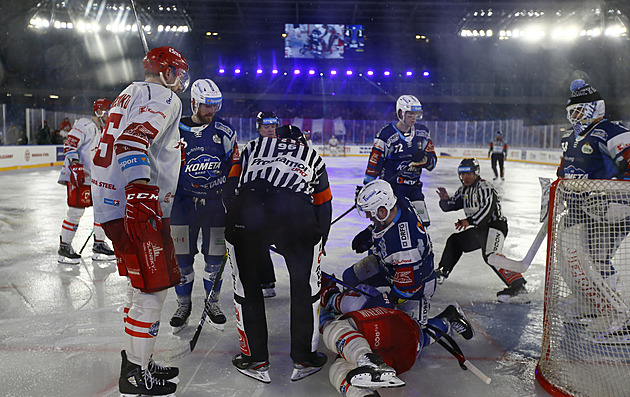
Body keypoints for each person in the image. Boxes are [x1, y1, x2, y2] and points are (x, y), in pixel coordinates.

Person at [91, 46, 190, 396]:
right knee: (153, 290)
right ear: (165, 72)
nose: (180, 80)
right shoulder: (163, 96)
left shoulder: (128, 92)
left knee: (141, 287)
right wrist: (140, 193)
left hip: (113, 203)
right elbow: (133, 140)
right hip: (135, 205)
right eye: (177, 72)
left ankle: (140, 361)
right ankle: (135, 372)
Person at [223, 124, 332, 383]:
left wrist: (238, 230)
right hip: (297, 218)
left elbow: (229, 190)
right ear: (301, 142)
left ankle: (255, 360)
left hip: (249, 212)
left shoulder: (253, 147)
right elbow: (323, 206)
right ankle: (304, 359)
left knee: (246, 289)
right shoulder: (312, 156)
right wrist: (320, 243)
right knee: (306, 288)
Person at [319, 276, 474, 397]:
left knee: (335, 329)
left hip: (398, 331)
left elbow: (385, 301)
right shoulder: (343, 305)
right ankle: (446, 320)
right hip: (403, 353)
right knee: (338, 370)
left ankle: (369, 361)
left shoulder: (348, 302)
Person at [557, 79, 630, 328]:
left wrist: (613, 197)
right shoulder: (569, 138)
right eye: (572, 111)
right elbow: (562, 173)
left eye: (578, 110)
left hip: (609, 211)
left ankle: (622, 315)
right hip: (578, 211)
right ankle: (590, 304)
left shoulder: (611, 132)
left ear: (593, 108)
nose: (574, 116)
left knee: (597, 261)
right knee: (569, 262)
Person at [168, 78, 239, 332]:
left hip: (215, 207)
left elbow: (235, 165)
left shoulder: (225, 131)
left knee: (215, 260)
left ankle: (212, 303)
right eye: (208, 106)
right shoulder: (174, 130)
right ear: (195, 102)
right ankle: (183, 304)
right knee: (182, 261)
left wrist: (232, 194)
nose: (212, 111)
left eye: (216, 106)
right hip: (183, 205)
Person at [435, 158, 530, 303]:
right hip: (481, 229)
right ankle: (442, 272)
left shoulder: (485, 187)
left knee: (491, 256)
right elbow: (452, 204)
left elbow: (487, 210)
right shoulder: (464, 190)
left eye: (468, 174)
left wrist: (469, 221)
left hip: (496, 226)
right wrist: (444, 200)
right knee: (455, 241)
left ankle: (519, 286)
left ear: (476, 173)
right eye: (462, 174)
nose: (465, 177)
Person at [343, 180, 437, 324]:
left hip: (416, 285)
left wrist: (388, 300)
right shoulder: (398, 200)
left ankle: (447, 321)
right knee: (349, 277)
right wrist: (369, 233)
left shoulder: (404, 247)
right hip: (389, 265)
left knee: (410, 336)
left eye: (370, 214)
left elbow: (407, 286)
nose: (368, 217)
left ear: (382, 211)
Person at [363, 95, 437, 228]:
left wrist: (424, 160)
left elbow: (432, 163)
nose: (414, 117)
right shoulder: (386, 135)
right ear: (400, 113)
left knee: (421, 224)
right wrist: (367, 186)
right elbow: (374, 165)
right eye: (410, 114)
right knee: (393, 224)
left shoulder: (423, 133)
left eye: (416, 114)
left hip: (414, 187)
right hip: (392, 189)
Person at [56, 98, 115, 264]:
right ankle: (64, 246)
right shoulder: (85, 125)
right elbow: (70, 144)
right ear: (98, 111)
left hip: (95, 179)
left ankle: (99, 244)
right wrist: (75, 165)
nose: (108, 115)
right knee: (76, 212)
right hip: (79, 176)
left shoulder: (104, 131)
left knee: (101, 210)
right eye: (106, 111)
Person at [253, 110, 281, 298]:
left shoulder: (285, 146)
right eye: (266, 126)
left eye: (273, 126)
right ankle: (266, 280)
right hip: (261, 205)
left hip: (283, 203)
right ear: (259, 128)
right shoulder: (253, 148)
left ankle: (302, 280)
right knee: (259, 243)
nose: (270, 130)